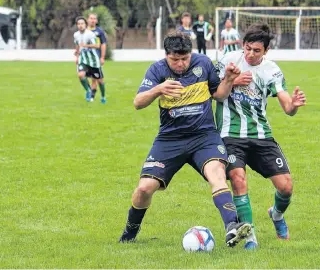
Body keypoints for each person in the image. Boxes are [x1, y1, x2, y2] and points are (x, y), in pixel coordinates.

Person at [119, 31, 252, 247]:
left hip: (204, 136)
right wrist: (158, 89)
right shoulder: (157, 70)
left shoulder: (203, 63)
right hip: (169, 140)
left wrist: (228, 79)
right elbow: (138, 103)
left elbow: (218, 94)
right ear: (166, 56)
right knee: (144, 189)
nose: (181, 64)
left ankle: (232, 226)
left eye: (185, 58)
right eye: (175, 59)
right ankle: (130, 232)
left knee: (217, 175)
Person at [215, 22, 307, 249]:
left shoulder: (271, 70)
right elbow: (214, 92)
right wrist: (232, 81)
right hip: (230, 134)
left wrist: (293, 105)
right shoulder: (228, 61)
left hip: (261, 135)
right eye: (247, 48)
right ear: (242, 45)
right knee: (237, 178)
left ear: (266, 51)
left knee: (286, 187)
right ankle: (250, 236)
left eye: (257, 51)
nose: (251, 54)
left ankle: (276, 215)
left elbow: (286, 105)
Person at [73, 16, 101, 102]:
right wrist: (77, 56)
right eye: (79, 24)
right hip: (83, 59)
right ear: (77, 25)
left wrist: (86, 45)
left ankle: (93, 95)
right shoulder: (76, 35)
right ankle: (88, 90)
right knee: (81, 75)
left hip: (92, 59)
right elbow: (77, 46)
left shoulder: (91, 34)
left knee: (94, 79)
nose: (80, 25)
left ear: (85, 24)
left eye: (82, 23)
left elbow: (97, 45)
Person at [87, 13, 108, 104]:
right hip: (87, 59)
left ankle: (103, 96)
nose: (92, 20)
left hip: (96, 59)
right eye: (91, 18)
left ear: (96, 21)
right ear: (87, 19)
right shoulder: (84, 31)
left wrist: (102, 57)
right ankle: (90, 95)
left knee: (98, 79)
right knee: (89, 78)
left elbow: (103, 45)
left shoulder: (99, 32)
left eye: (94, 18)